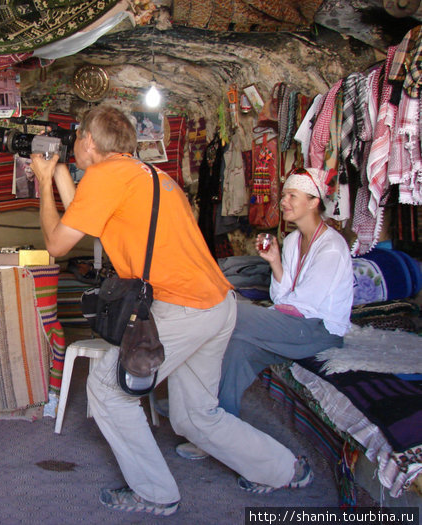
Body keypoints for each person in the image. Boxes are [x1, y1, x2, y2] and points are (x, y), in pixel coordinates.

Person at [30, 106, 313, 517]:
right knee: (196, 414)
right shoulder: (149, 176)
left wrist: (42, 184)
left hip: (182, 307)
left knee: (108, 389)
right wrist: (57, 174)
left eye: (77, 137)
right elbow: (87, 222)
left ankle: (155, 493)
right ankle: (285, 470)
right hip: (217, 303)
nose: (74, 145)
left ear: (90, 142)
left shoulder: (105, 177)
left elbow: (57, 245)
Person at [217, 168, 353, 419]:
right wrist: (275, 261)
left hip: (319, 330)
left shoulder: (331, 248)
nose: (283, 202)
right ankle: (218, 422)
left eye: (292, 196)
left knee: (228, 308)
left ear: (314, 202)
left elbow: (305, 305)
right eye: (284, 195)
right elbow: (282, 298)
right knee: (238, 347)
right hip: (294, 324)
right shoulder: (292, 240)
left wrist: (263, 318)